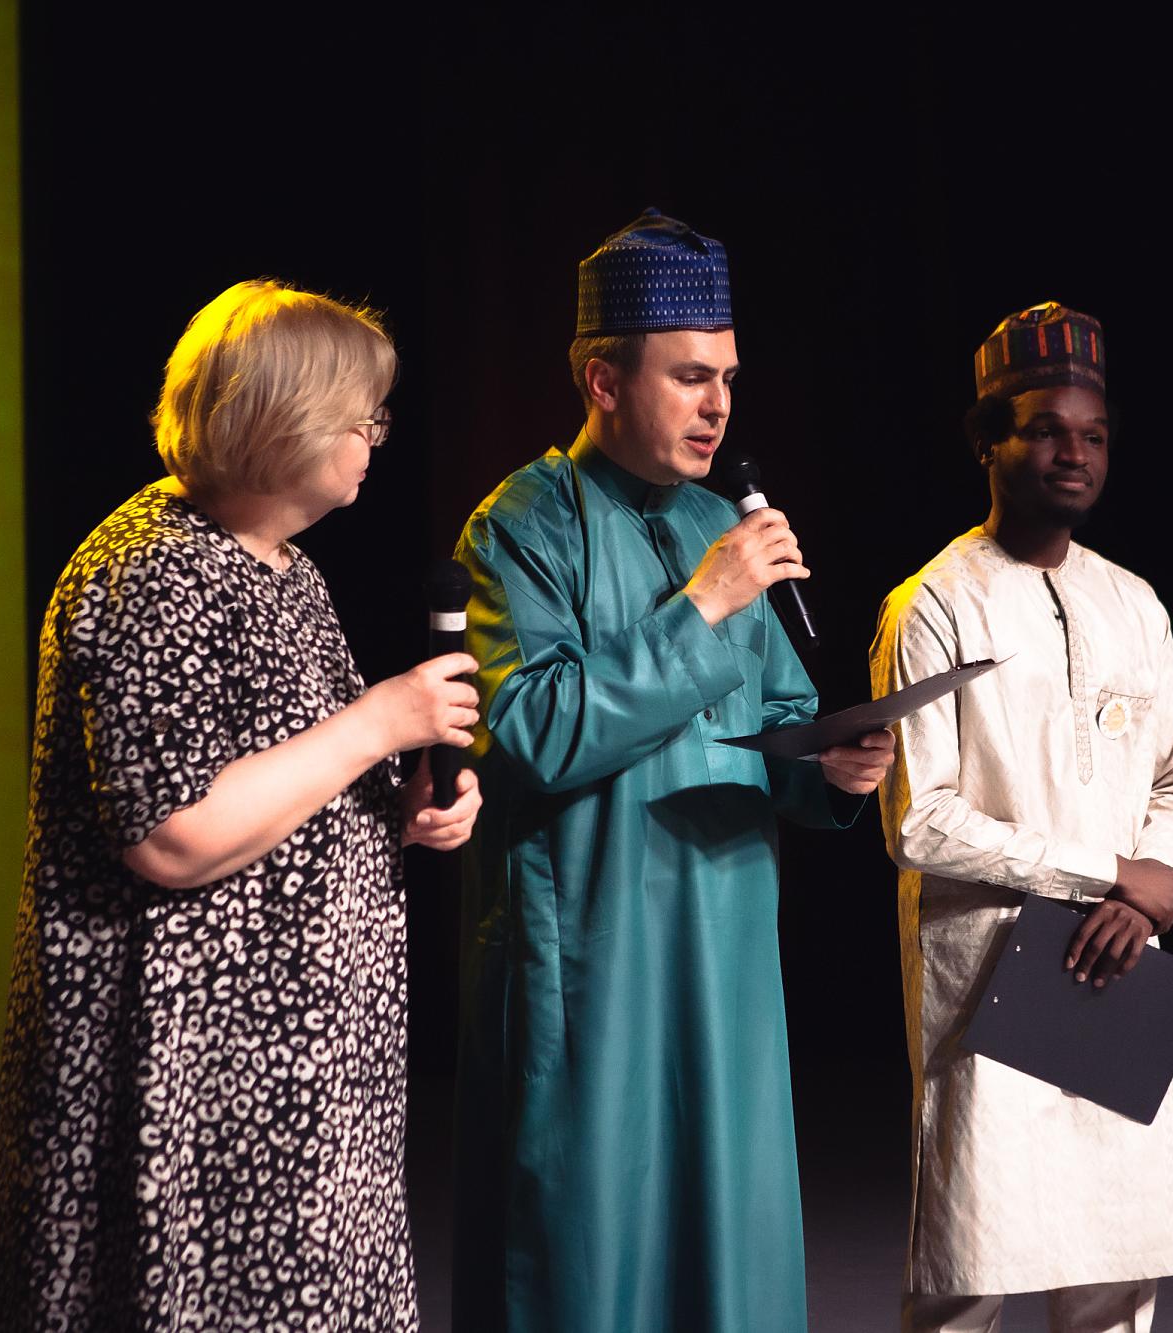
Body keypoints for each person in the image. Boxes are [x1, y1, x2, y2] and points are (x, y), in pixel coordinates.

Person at [0, 280, 482, 1331]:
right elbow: (170, 834)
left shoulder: (286, 572)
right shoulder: (150, 572)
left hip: (299, 1082)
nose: (375, 437)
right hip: (188, 1085)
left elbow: (291, 784)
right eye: (360, 415)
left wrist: (402, 806)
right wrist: (376, 724)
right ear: (283, 420)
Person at [449, 209, 895, 1333]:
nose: (718, 406)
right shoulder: (521, 526)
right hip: (592, 967)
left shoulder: (718, 523)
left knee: (729, 1260)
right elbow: (532, 729)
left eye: (728, 378)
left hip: (726, 955)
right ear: (602, 380)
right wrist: (704, 603)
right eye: (690, 377)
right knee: (587, 1265)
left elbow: (779, 718)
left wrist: (833, 767)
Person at [868, 302, 1173, 1333]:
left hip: (1113, 958)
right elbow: (918, 822)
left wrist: (1140, 900)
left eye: (1093, 435)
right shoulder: (933, 603)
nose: (1075, 454)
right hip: (987, 968)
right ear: (988, 441)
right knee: (970, 1259)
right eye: (1047, 430)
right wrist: (1106, 873)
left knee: (1116, 1261)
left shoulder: (1132, 602)